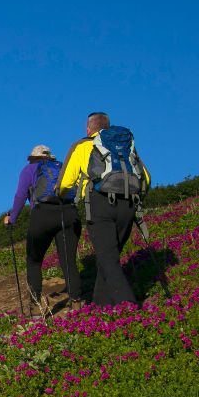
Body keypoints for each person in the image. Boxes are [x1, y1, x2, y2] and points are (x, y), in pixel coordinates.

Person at [56, 112, 151, 307]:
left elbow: (65, 183)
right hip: (129, 204)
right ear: (107, 126)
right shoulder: (124, 145)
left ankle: (129, 306)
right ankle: (101, 307)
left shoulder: (82, 146)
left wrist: (61, 196)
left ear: (88, 129)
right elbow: (146, 179)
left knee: (108, 259)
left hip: (99, 204)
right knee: (108, 257)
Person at [3, 144, 83, 315]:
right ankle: (75, 303)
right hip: (68, 212)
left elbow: (20, 195)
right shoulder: (62, 166)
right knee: (68, 260)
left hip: (42, 214)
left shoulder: (29, 169)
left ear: (33, 157)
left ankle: (35, 308)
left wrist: (12, 218)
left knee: (34, 261)